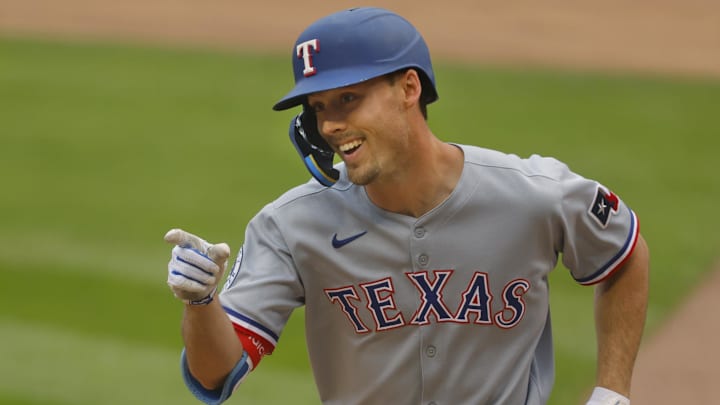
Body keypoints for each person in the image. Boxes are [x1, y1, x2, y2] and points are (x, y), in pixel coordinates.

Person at [164, 7, 649, 405]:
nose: (330, 126)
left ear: (409, 89)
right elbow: (216, 376)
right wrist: (202, 303)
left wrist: (612, 389)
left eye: (348, 98)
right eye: (318, 108)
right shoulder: (290, 225)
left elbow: (624, 255)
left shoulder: (534, 194)